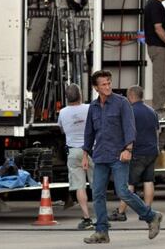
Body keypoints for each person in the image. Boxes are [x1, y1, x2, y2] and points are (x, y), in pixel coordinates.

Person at [82, 70, 163, 244]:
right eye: (103, 84)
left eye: (109, 83)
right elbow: (89, 132)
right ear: (96, 87)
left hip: (119, 155)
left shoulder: (122, 103)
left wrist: (128, 148)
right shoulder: (93, 107)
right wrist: (85, 154)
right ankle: (101, 231)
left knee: (123, 192)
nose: (107, 86)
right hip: (100, 156)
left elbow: (129, 127)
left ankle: (151, 216)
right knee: (97, 194)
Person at [108, 85, 160, 222]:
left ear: (130, 96)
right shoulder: (152, 111)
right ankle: (146, 211)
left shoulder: (130, 111)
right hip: (152, 150)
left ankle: (121, 212)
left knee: (129, 183)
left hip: (137, 151)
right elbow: (157, 131)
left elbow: (124, 131)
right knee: (148, 181)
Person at [57, 83, 94, 230]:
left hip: (73, 152)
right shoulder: (89, 108)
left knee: (79, 186)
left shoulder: (63, 112)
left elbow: (61, 129)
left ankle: (86, 218)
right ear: (81, 95)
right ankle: (101, 217)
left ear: (66, 98)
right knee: (96, 185)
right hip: (91, 151)